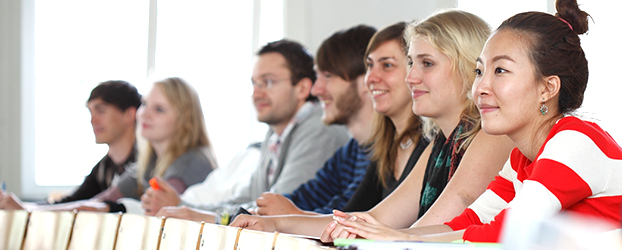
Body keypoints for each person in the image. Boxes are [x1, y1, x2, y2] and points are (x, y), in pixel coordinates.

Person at [330, 0, 622, 243]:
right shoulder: (521, 158)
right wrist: (391, 237)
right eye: (480, 71)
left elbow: (508, 233)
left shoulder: (575, 141)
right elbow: (465, 223)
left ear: (548, 88)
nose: (479, 87)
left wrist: (399, 240)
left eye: (501, 71)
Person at [231, 11, 513, 239]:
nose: (411, 77)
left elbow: (419, 235)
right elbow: (376, 220)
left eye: (427, 63)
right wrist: (277, 224)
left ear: (468, 66)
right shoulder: (443, 142)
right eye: (411, 63)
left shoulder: (490, 135)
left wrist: (286, 223)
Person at [144, 39, 350, 222]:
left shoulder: (319, 130)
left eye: (267, 82)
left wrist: (198, 213)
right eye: (254, 83)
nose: (256, 93)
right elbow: (246, 200)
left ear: (303, 89)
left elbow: (277, 210)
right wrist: (183, 207)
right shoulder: (276, 134)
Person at [0, 77, 216, 212]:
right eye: (146, 104)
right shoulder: (147, 164)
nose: (144, 114)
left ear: (185, 119)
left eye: (158, 109)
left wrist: (26, 210)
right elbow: (95, 202)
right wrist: (27, 208)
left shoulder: (192, 163)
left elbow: (156, 209)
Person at [255, 24, 378, 216]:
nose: (316, 90)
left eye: (328, 76)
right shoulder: (352, 151)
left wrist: (287, 217)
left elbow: (349, 216)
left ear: (365, 80)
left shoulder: (382, 153)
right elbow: (306, 198)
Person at [0, 80, 141, 208]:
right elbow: (73, 202)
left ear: (129, 115)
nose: (92, 120)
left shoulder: (144, 167)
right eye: (90, 112)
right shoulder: (104, 167)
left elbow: (85, 206)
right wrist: (24, 206)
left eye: (101, 111)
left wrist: (25, 208)